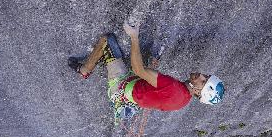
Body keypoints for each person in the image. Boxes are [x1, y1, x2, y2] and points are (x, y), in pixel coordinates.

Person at [68, 21, 224, 124]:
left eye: (203, 82)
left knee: (108, 40)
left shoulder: (173, 88)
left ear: (198, 93)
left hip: (122, 86)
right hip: (134, 95)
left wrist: (134, 37)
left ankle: (84, 70)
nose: (202, 76)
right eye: (207, 76)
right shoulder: (183, 100)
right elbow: (157, 93)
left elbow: (138, 70)